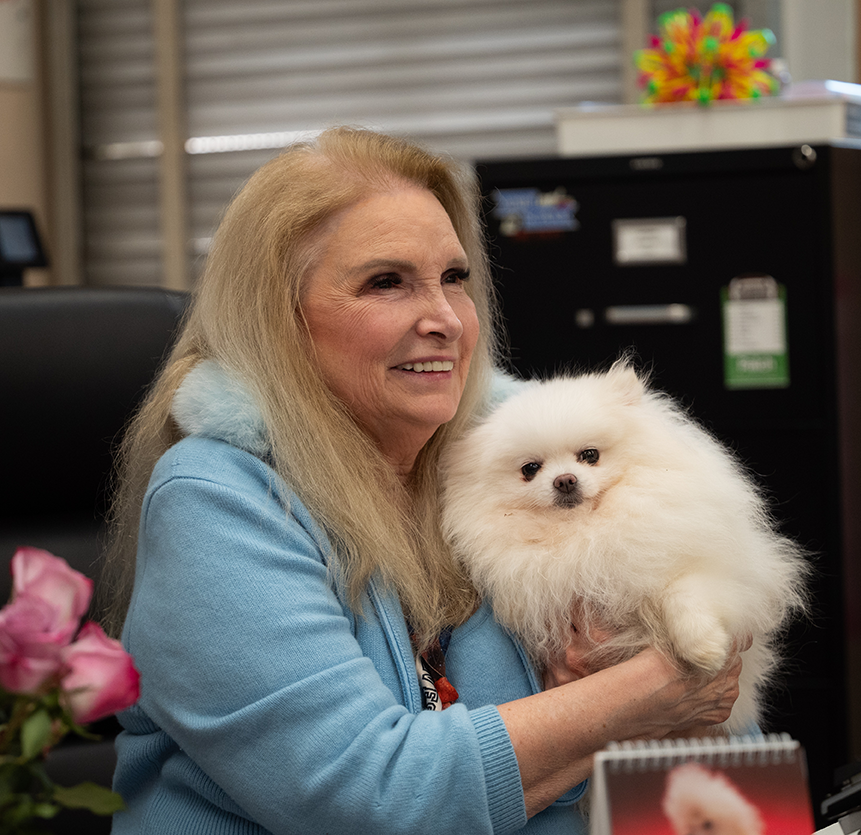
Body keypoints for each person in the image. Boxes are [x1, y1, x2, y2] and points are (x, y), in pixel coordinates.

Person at [100, 126, 743, 835]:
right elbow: (372, 798)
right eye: (387, 282)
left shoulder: (504, 464)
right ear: (277, 322)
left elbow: (713, 715)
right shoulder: (217, 501)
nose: (442, 319)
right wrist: (645, 690)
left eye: (453, 279)